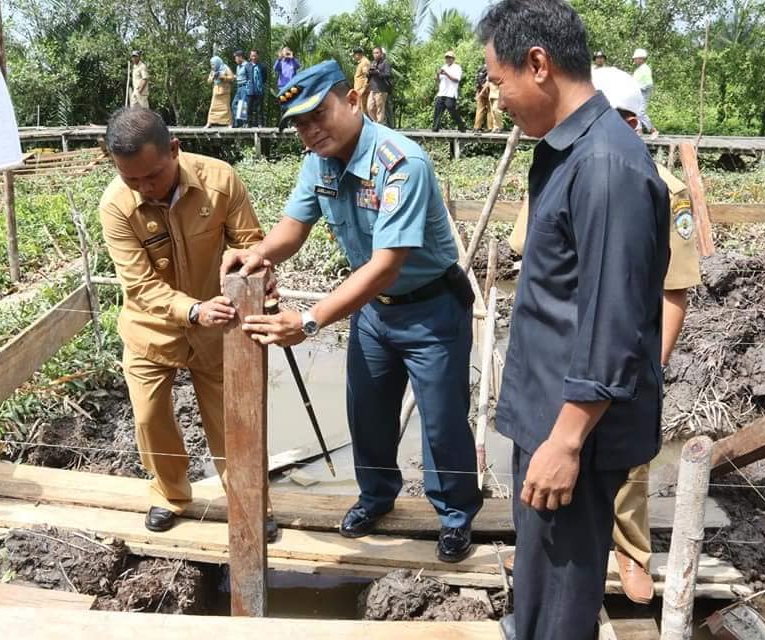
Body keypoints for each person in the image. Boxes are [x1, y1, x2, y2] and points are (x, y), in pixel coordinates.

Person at [221, 60, 483, 564]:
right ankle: (376, 497)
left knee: (442, 422)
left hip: (430, 310)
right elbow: (293, 229)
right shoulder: (317, 162)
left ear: (354, 102)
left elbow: (386, 266)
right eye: (298, 122)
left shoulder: (399, 163)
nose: (309, 130)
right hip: (373, 313)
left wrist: (311, 319)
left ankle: (454, 515)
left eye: (318, 114)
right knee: (368, 413)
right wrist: (260, 254)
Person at [479, 2, 669, 638]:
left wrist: (564, 442)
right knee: (539, 578)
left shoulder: (605, 166)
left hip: (574, 433)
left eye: (498, 81)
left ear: (538, 65)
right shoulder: (565, 151)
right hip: (548, 413)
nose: (495, 97)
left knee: (562, 596)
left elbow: (613, 324)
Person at [506, 65, 702, 607]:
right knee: (557, 526)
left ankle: (631, 554)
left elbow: (667, 294)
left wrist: (640, 372)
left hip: (612, 373)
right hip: (565, 375)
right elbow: (541, 267)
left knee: (624, 481)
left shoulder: (638, 179)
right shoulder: (564, 164)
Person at [97, 107, 277, 539]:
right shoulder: (116, 207)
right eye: (130, 179)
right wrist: (193, 309)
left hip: (218, 329)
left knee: (234, 420)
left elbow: (251, 242)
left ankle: (251, 501)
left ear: (174, 150)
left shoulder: (220, 180)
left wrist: (261, 274)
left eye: (152, 176)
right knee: (149, 416)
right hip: (150, 328)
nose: (144, 188)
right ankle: (170, 495)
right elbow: (139, 285)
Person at [432, 51, 466, 132]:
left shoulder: (457, 67)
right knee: (437, 110)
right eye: (446, 57)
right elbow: (437, 80)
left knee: (452, 111)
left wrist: (446, 74)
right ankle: (435, 128)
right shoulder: (443, 67)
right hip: (441, 93)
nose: (447, 59)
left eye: (449, 57)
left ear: (453, 59)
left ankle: (462, 126)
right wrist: (437, 74)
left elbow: (456, 80)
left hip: (450, 94)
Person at [632, 48, 658, 136]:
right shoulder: (638, 70)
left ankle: (653, 130)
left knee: (640, 112)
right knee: (635, 111)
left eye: (636, 58)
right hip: (637, 94)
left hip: (643, 93)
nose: (634, 60)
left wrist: (639, 88)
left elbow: (649, 83)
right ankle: (639, 130)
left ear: (641, 59)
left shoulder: (645, 69)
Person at [205, 56, 234, 127]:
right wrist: (212, 78)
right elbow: (208, 81)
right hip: (216, 92)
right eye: (211, 64)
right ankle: (209, 123)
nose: (212, 66)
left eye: (213, 64)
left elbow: (232, 78)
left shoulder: (225, 68)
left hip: (225, 92)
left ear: (217, 62)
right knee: (212, 108)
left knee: (226, 108)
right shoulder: (213, 71)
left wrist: (223, 77)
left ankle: (229, 123)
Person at [366, 47, 392, 125]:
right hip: (372, 89)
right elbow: (369, 76)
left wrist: (378, 72)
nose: (375, 54)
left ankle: (380, 124)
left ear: (381, 54)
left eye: (377, 53)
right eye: (374, 53)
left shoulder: (385, 63)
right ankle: (376, 122)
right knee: (369, 108)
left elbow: (388, 74)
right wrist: (369, 73)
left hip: (381, 89)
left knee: (380, 109)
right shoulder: (373, 62)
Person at [232, 50, 252, 128]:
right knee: (234, 104)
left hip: (245, 87)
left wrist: (248, 88)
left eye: (236, 57)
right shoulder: (238, 67)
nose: (235, 59)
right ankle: (238, 122)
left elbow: (250, 77)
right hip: (239, 87)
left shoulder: (247, 65)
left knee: (243, 105)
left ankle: (245, 123)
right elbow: (238, 76)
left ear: (240, 57)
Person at [248, 50, 268, 127]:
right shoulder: (247, 66)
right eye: (252, 55)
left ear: (258, 56)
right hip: (250, 89)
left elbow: (265, 78)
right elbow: (247, 76)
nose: (254, 57)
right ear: (250, 56)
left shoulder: (262, 66)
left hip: (259, 90)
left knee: (260, 108)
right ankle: (249, 123)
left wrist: (259, 84)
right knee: (249, 107)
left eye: (255, 55)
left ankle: (260, 124)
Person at [352, 47, 371, 119]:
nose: (354, 57)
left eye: (355, 55)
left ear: (359, 54)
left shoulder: (364, 62)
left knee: (363, 109)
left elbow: (367, 76)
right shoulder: (361, 62)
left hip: (362, 90)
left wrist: (364, 88)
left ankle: (366, 126)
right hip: (359, 90)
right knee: (361, 108)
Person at [474, 65, 489, 131]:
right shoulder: (491, 67)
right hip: (487, 90)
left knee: (479, 109)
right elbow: (488, 82)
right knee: (490, 110)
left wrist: (478, 93)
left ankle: (477, 127)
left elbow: (477, 82)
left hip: (479, 89)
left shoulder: (480, 68)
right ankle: (490, 127)